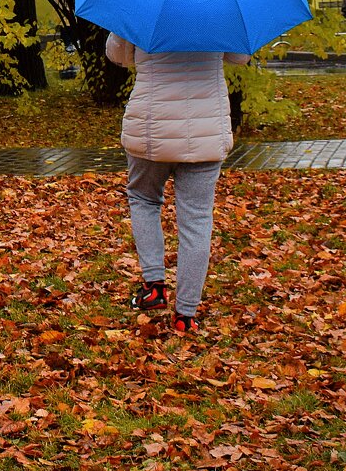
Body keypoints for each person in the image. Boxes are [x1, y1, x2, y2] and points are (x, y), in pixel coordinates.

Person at [105, 32, 250, 332]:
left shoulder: (142, 5)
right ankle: (185, 315)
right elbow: (241, 57)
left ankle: (154, 286)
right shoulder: (217, 10)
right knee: (196, 219)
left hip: (151, 129)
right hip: (206, 130)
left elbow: (117, 55)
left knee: (144, 199)